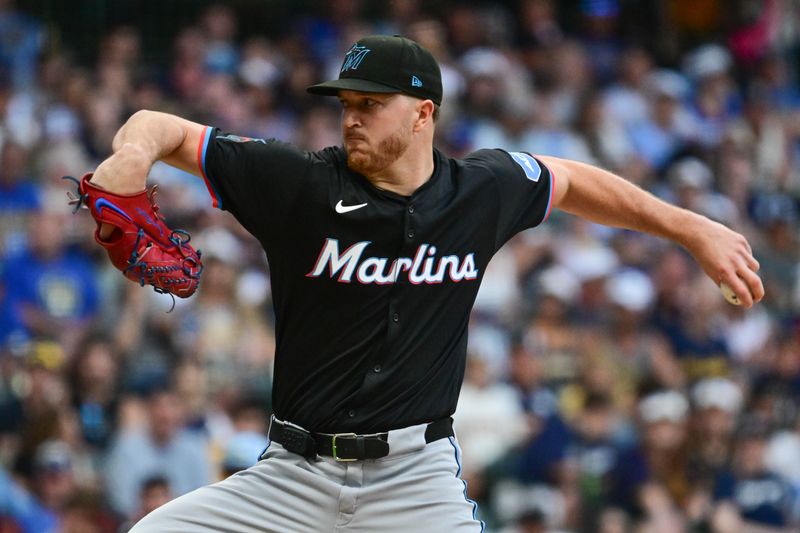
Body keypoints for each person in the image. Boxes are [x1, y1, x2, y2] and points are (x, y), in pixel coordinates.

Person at [83, 35, 763, 532]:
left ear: (421, 113)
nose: (351, 116)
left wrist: (690, 228)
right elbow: (160, 127)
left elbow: (576, 180)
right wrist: (130, 158)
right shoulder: (300, 185)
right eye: (347, 102)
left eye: (371, 104)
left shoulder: (482, 190)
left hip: (416, 480)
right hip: (292, 475)